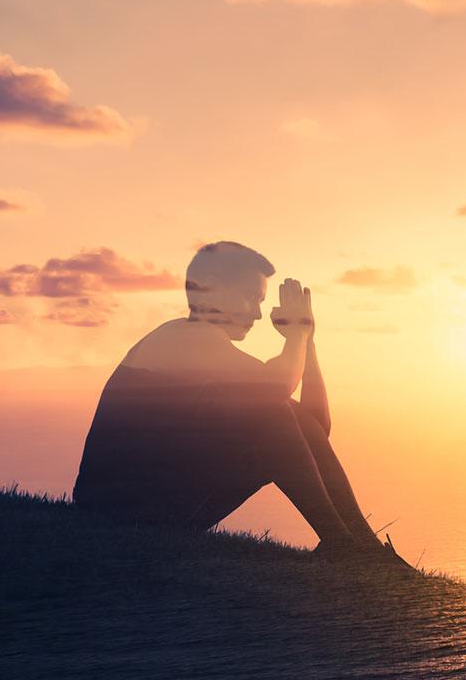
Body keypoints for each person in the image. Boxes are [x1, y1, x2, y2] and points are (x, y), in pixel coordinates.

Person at [73, 241, 409, 568]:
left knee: (280, 412)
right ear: (211, 288)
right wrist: (297, 336)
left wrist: (308, 341)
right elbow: (278, 390)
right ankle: (346, 548)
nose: (258, 313)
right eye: (251, 297)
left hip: (142, 507)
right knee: (272, 409)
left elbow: (314, 426)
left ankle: (359, 547)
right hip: (120, 514)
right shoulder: (184, 337)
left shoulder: (204, 345)